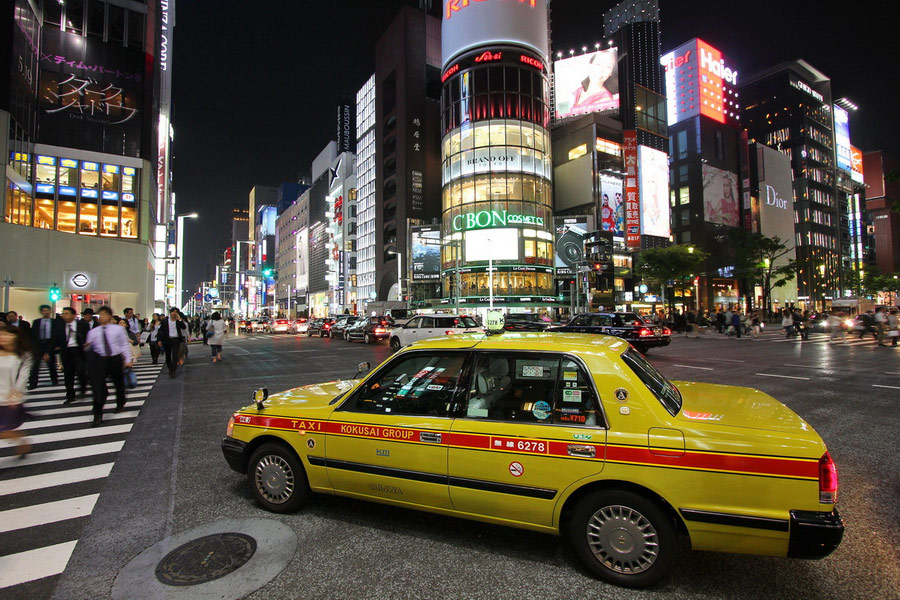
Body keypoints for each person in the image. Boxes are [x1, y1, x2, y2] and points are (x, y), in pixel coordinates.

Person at [84, 306, 132, 426]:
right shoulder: (93, 332)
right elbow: (89, 349)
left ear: (110, 316)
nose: (102, 317)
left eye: (104, 314)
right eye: (100, 315)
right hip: (100, 361)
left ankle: (120, 403)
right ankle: (97, 414)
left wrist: (128, 359)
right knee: (98, 388)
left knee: (118, 384)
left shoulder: (118, 330)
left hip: (115, 359)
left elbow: (124, 345)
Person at [0, 326, 33, 458]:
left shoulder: (24, 356)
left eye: (7, 335)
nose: (3, 337)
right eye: (1, 334)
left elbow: (23, 377)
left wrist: (17, 393)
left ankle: (21, 439)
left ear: (16, 337)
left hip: (8, 398)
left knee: (4, 431)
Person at [28, 304, 64, 389]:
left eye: (47, 310)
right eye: (44, 310)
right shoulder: (36, 322)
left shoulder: (55, 322)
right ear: (41, 312)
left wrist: (57, 345)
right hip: (39, 345)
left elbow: (57, 335)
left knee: (51, 364)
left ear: (50, 311)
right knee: (35, 364)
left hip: (50, 344)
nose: (46, 312)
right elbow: (33, 334)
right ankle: (33, 383)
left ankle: (54, 379)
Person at [59, 307, 90, 403]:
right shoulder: (60, 325)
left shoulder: (82, 324)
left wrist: (87, 344)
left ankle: (83, 387)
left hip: (79, 351)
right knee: (68, 374)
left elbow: (88, 335)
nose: (64, 315)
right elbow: (56, 339)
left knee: (81, 372)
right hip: (66, 351)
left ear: (73, 315)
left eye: (67, 313)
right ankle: (70, 395)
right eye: (63, 313)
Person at [157, 307, 187, 378]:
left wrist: (179, 320)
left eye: (176, 312)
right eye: (173, 312)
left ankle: (173, 371)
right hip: (167, 339)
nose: (174, 313)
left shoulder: (178, 321)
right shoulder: (165, 321)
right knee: (168, 356)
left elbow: (184, 327)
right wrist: (159, 340)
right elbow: (161, 331)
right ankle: (170, 368)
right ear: (170, 313)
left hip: (176, 340)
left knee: (175, 355)